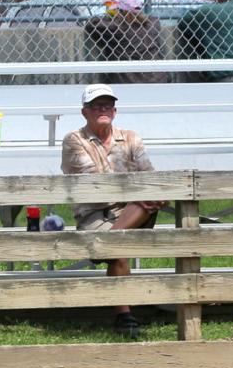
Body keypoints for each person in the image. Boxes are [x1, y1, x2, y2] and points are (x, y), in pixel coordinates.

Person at [61, 83, 164, 340]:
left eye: (107, 105)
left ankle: (107, 244)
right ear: (85, 112)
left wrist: (147, 192)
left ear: (115, 111)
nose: (102, 109)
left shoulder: (131, 137)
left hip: (133, 211)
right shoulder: (74, 140)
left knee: (142, 204)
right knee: (121, 246)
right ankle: (124, 314)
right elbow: (94, 184)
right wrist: (137, 190)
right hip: (94, 214)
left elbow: (149, 176)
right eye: (96, 106)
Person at [82, 0, 168, 83]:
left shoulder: (118, 27)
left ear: (120, 11)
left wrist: (111, 12)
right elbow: (146, 18)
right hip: (157, 78)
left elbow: (91, 24)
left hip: (128, 82)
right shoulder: (153, 23)